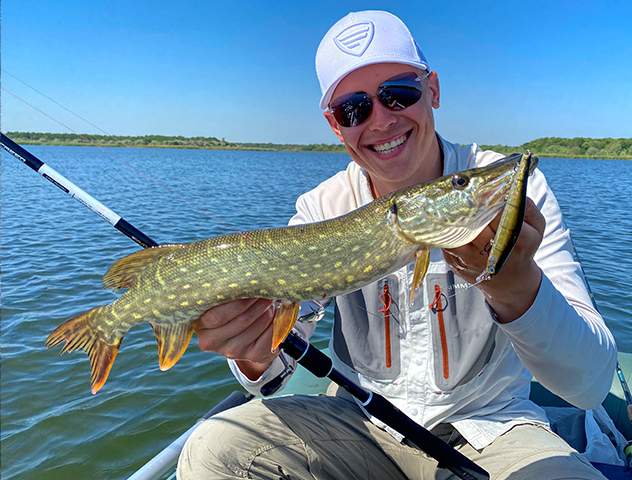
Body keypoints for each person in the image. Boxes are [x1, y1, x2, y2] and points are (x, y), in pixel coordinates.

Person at [178, 10, 617, 479]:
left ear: (433, 90)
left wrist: (516, 288)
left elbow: (588, 385)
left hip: (491, 429)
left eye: (399, 93)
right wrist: (252, 348)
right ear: (335, 125)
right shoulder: (322, 207)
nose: (382, 120)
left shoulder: (514, 191)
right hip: (357, 425)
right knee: (214, 450)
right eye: (353, 109)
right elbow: (273, 368)